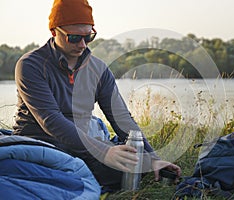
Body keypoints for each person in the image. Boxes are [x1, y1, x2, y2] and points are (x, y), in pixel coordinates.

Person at [13, 0, 181, 192]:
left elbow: (121, 117)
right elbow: (51, 121)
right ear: (54, 32)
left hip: (83, 147)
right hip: (42, 144)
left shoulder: (98, 69)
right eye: (74, 38)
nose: (83, 44)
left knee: (133, 165)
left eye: (89, 36)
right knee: (64, 179)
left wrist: (153, 158)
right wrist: (104, 151)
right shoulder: (30, 65)